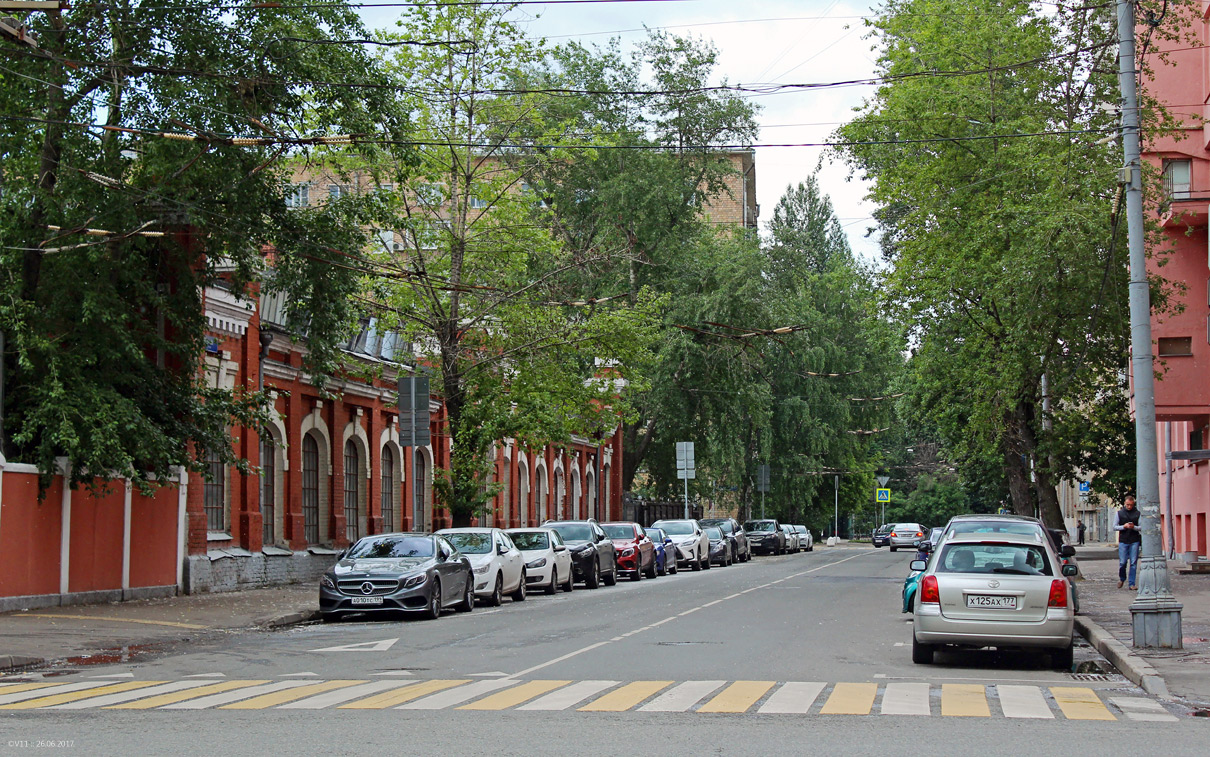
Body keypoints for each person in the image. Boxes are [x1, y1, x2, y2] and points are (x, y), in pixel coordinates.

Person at [1116, 496, 1141, 589]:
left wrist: (1134, 527)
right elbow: (1114, 527)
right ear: (1124, 504)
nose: (1129, 506)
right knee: (1122, 562)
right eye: (1127, 505)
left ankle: (1132, 584)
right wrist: (1124, 526)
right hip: (1123, 540)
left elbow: (1141, 527)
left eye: (1131, 505)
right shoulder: (1120, 513)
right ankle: (1122, 578)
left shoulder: (1137, 513)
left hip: (1134, 540)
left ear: (1133, 504)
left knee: (1133, 563)